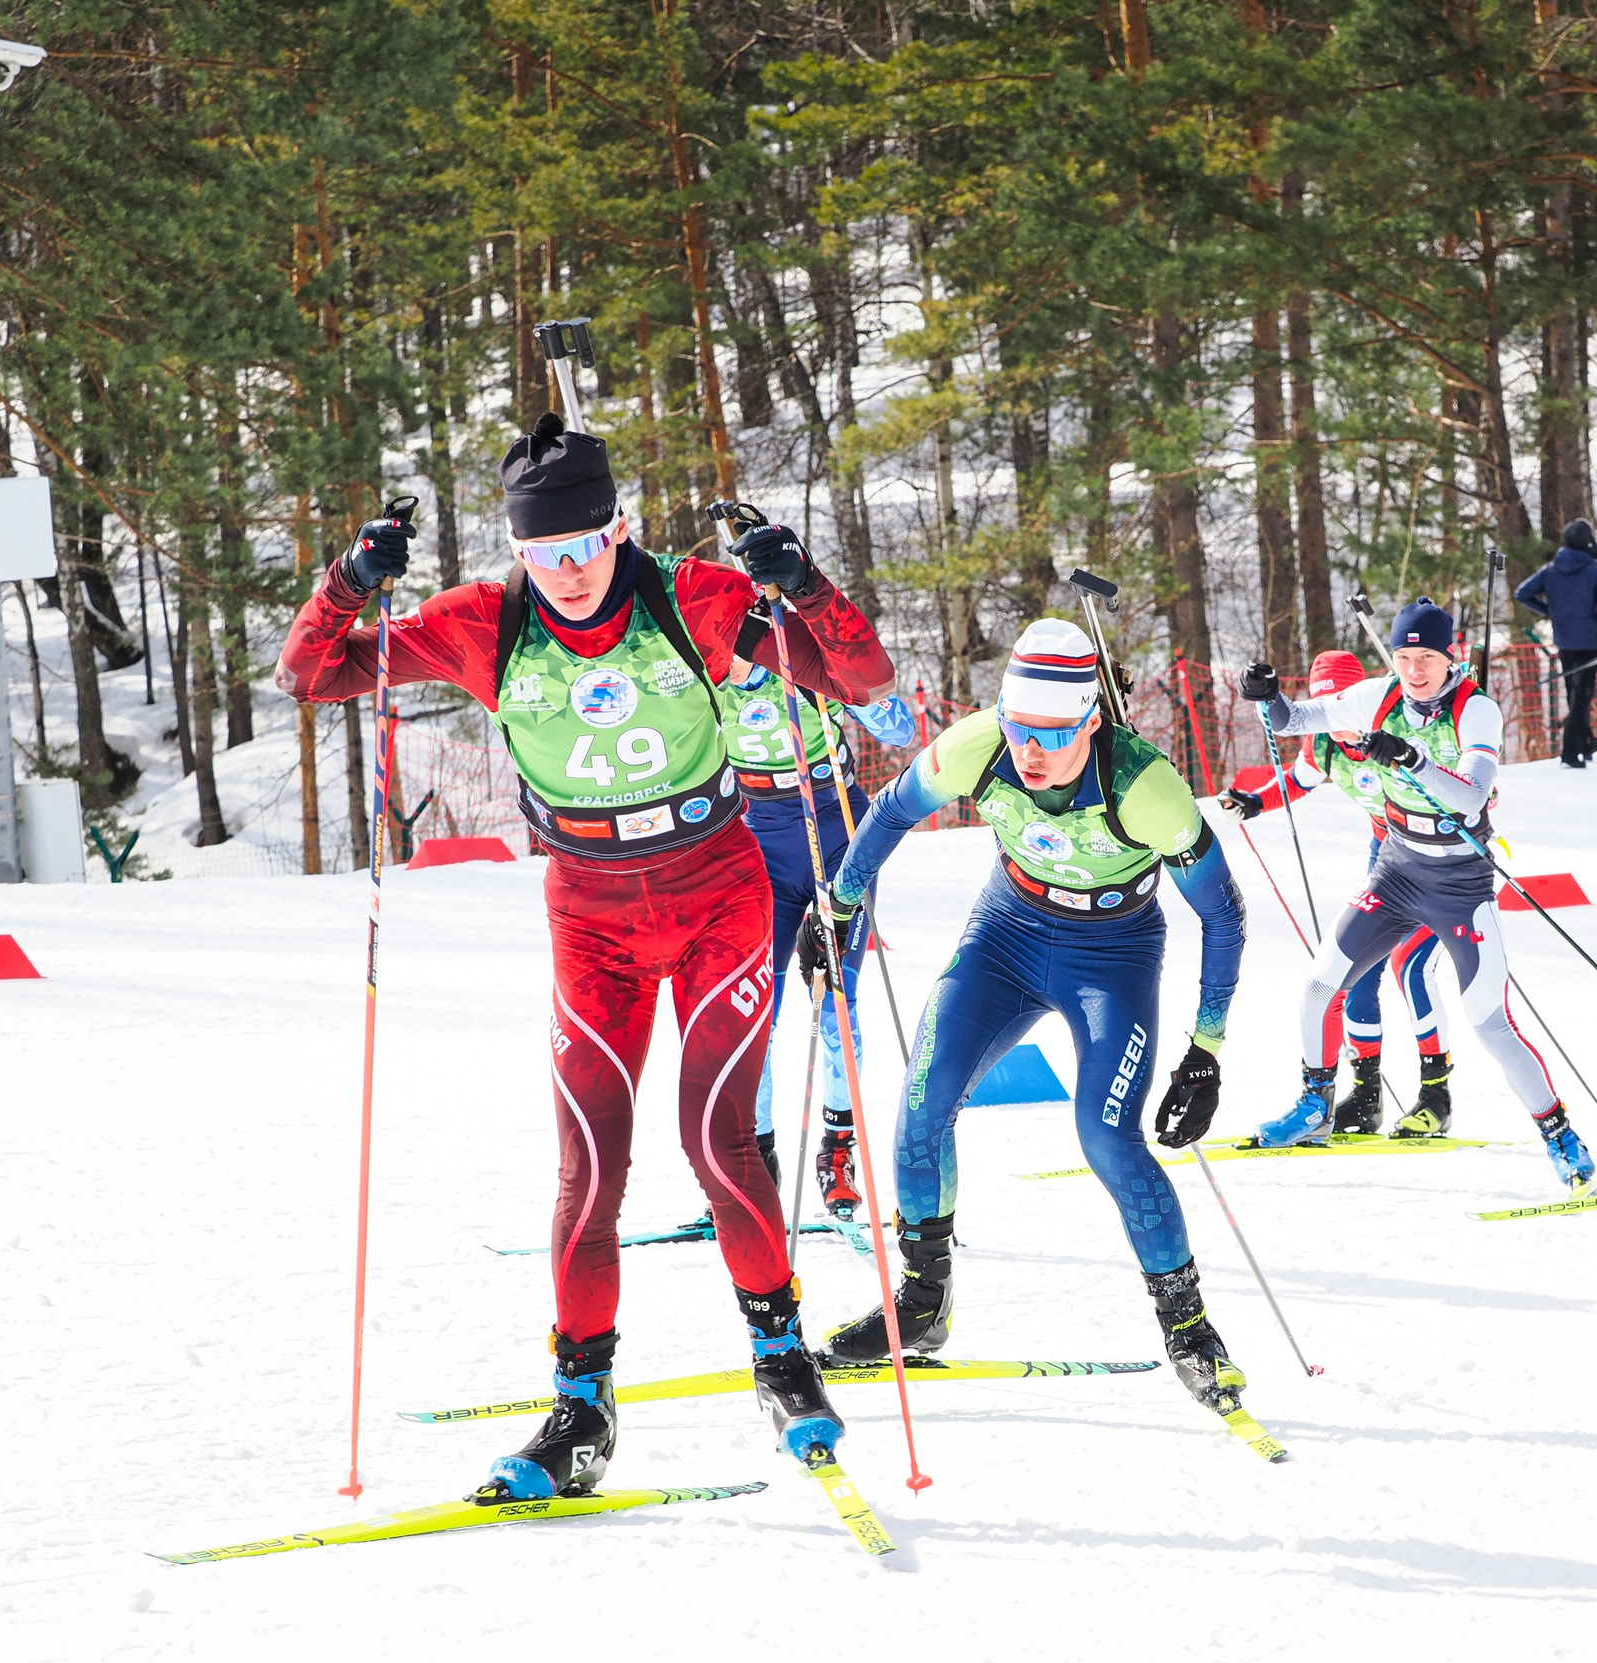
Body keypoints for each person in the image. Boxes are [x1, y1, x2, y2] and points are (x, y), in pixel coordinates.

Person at [275, 413, 895, 1496]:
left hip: (715, 899)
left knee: (717, 1141)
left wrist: (802, 583)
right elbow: (312, 675)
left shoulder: (690, 598)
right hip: (591, 917)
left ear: (619, 530)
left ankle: (782, 1361)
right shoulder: (483, 624)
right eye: (541, 555)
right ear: (516, 553)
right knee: (588, 1166)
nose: (566, 575)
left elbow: (853, 676)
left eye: (583, 547)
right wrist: (349, 579)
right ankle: (579, 1410)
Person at [809, 619, 1255, 1416]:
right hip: (1006, 935)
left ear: (1091, 719)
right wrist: (839, 902)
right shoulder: (977, 743)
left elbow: (1223, 914)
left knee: (1107, 1135)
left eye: (1051, 732)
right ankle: (923, 1300)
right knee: (920, 1104)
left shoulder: (1145, 788)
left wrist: (1206, 1051)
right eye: (1019, 727)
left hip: (1112, 957)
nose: (1030, 750)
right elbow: (887, 810)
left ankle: (1189, 1327)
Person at [1241, 599, 1597, 1191]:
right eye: (1404, 657)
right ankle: (1314, 1104)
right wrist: (1267, 693)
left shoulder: (1475, 709)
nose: (1413, 670)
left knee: (1490, 1024)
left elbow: (1471, 797)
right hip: (1397, 872)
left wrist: (1413, 757)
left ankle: (1559, 1134)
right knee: (1318, 984)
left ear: (1450, 655)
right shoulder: (1376, 696)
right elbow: (1291, 721)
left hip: (1460, 886)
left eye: (1426, 657)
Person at [714, 652, 917, 1221]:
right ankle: (756, 1159)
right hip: (762, 843)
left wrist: (854, 691)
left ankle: (839, 1152)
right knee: (756, 1013)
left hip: (838, 833)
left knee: (836, 1005)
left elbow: (900, 730)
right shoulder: (699, 678)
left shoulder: (792, 658)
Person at [1218, 648, 1453, 1136]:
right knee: (1354, 976)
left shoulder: (1399, 733)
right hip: (1386, 859)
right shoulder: (1321, 745)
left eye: (1343, 705)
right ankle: (1366, 1097)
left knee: (1411, 967)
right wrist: (1253, 802)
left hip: (1441, 861)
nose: (1335, 721)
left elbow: (1459, 775)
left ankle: (1436, 1097)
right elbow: (1297, 783)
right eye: (1325, 706)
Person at [1512, 518, 1597, 768]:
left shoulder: (1551, 569)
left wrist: (1549, 611)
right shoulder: (1596, 571)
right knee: (1582, 697)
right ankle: (1569, 751)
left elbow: (1522, 593)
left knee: (1575, 695)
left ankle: (1586, 742)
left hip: (1564, 641)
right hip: (1588, 642)